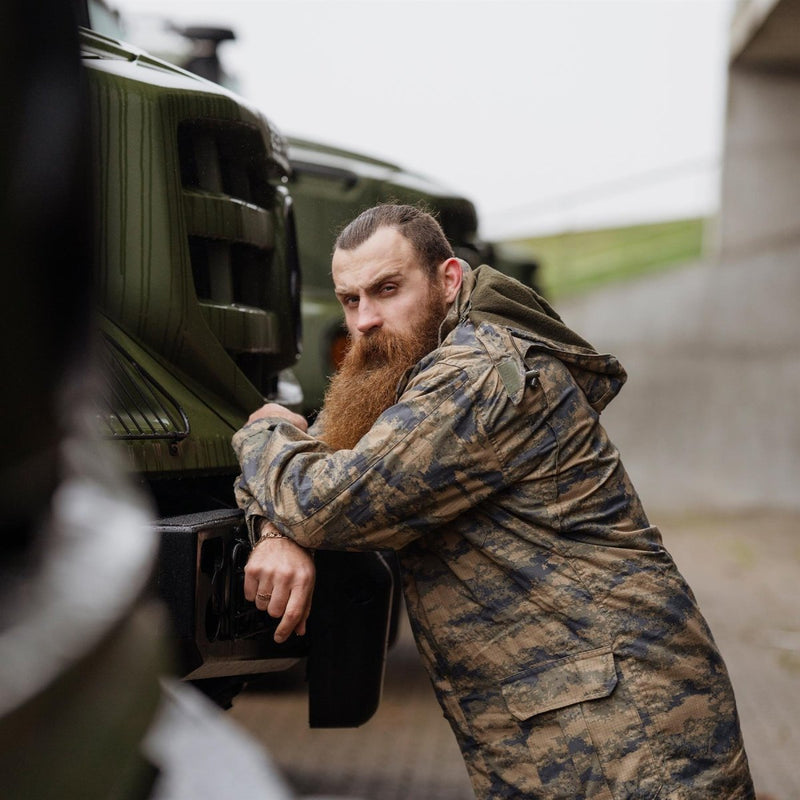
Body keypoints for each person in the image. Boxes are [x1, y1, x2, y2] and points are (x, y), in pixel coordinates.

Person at [232, 204, 755, 799]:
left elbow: (322, 501)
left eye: (387, 289)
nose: (366, 319)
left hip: (629, 735)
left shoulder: (479, 376)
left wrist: (264, 428)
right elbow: (319, 475)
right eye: (351, 300)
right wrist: (278, 533)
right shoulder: (416, 371)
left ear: (448, 279)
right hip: (567, 727)